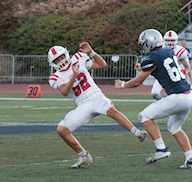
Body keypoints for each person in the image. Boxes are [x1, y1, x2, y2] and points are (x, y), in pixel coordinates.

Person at [48, 42, 147, 168]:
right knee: (62, 129)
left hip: (95, 96)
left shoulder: (78, 58)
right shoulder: (55, 76)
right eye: (57, 60)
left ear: (66, 54)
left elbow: (102, 64)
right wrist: (74, 75)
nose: (61, 61)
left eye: (62, 57)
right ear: (53, 63)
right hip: (83, 104)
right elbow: (65, 92)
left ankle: (136, 132)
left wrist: (91, 52)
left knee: (110, 110)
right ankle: (84, 155)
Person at [115, 29, 192, 168]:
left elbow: (137, 82)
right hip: (188, 96)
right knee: (174, 127)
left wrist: (122, 85)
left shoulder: (151, 57)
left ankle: (161, 149)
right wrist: (143, 69)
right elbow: (162, 68)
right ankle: (190, 157)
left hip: (176, 98)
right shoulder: (168, 51)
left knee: (144, 116)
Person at [151, 30, 191, 100]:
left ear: (176, 40)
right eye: (168, 40)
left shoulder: (180, 51)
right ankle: (162, 103)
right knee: (155, 93)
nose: (170, 42)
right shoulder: (160, 49)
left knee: (176, 97)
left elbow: (187, 68)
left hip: (175, 77)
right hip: (162, 75)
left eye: (172, 40)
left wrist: (182, 73)